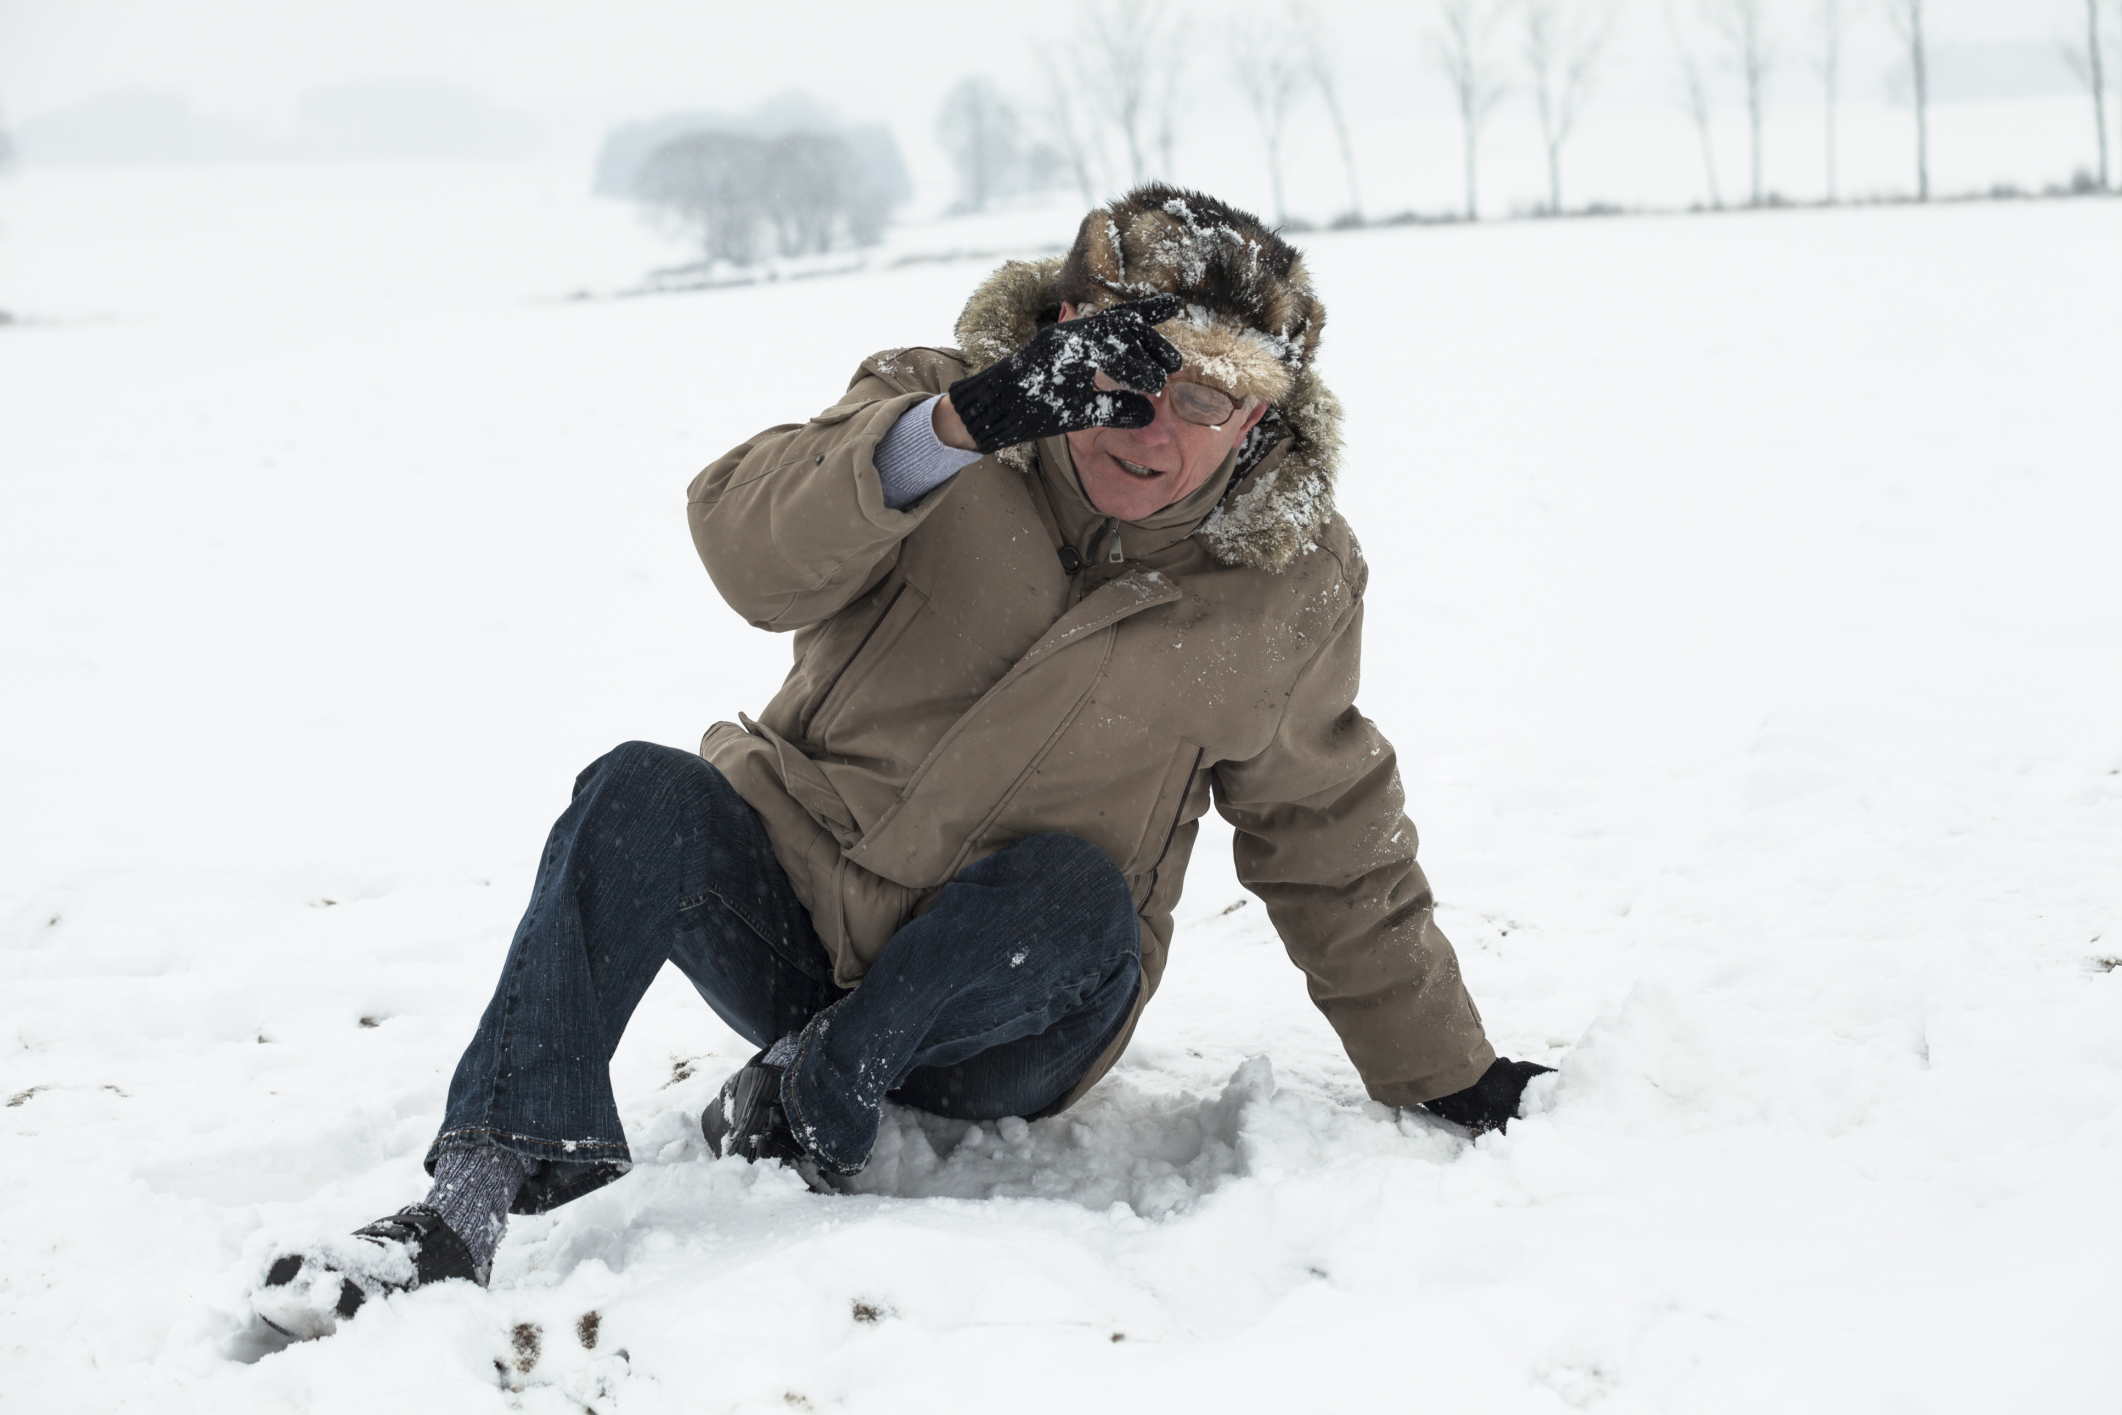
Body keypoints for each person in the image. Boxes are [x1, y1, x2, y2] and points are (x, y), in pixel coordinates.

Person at [253, 185, 1553, 1339]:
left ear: (1261, 419)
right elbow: (746, 556)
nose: (1150, 427)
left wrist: (1448, 1071)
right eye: (1122, 376)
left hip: (1015, 1008)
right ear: (1061, 339)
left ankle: (813, 1085)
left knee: (1071, 887)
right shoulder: (929, 416)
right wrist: (955, 427)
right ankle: (468, 1203)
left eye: (1203, 398)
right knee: (634, 791)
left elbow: (1326, 833)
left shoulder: (1289, 583)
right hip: (794, 921)